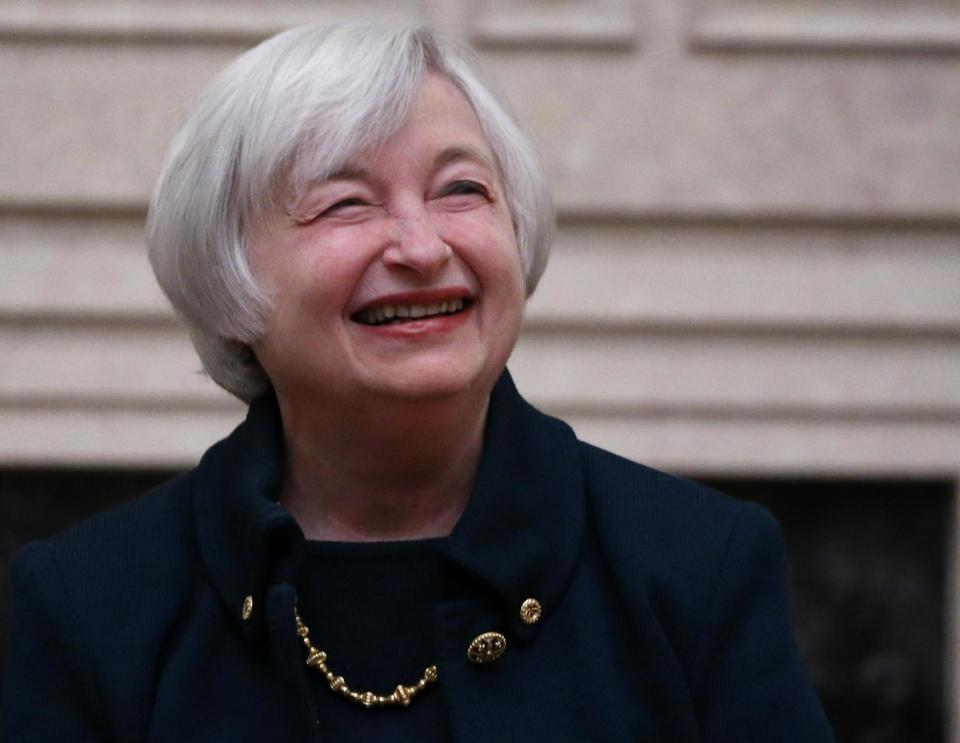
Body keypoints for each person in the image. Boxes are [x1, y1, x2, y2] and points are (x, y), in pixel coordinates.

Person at [1, 22, 834, 742]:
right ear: (228, 276)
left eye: (461, 190)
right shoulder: (83, 606)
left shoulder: (700, 568)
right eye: (346, 204)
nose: (422, 245)